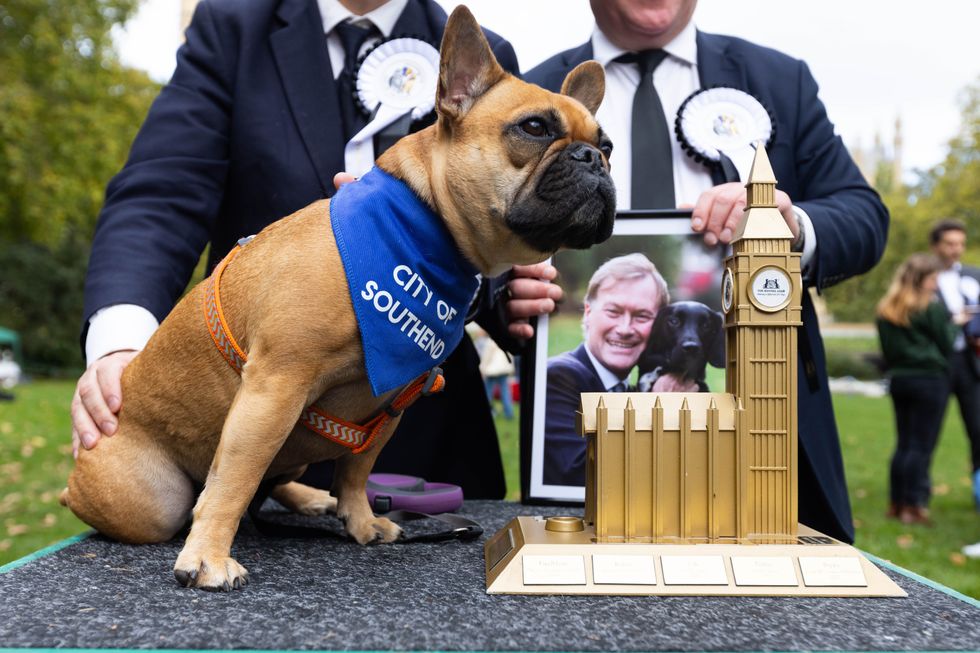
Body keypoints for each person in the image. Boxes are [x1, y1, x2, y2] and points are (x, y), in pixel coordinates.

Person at [70, 0, 564, 500]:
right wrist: (121, 344)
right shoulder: (233, 26)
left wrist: (505, 293)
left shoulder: (484, 52)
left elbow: (502, 210)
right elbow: (163, 192)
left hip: (425, 446)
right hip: (247, 438)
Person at [527, 0, 889, 542]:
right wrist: (504, 282)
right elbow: (473, 230)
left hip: (767, 449)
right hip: (582, 483)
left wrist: (789, 223)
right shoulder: (532, 90)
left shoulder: (776, 78)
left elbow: (864, 215)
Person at [544, 253, 669, 485]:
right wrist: (664, 414)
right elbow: (580, 473)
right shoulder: (559, 377)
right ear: (589, 313)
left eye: (642, 316)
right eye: (613, 312)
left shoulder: (632, 388)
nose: (625, 328)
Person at [876, 254, 960, 525]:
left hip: (900, 380)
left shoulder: (887, 308)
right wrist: (955, 323)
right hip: (930, 380)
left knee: (903, 443)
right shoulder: (930, 307)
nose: (935, 284)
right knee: (921, 445)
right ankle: (913, 506)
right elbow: (946, 342)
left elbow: (888, 350)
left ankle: (896, 501)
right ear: (921, 279)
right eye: (933, 279)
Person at [928, 219, 980, 509]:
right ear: (936, 246)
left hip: (971, 364)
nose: (955, 250)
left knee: (978, 430)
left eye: (960, 244)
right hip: (938, 363)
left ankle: (978, 494)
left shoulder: (975, 275)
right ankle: (916, 499)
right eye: (949, 244)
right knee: (927, 432)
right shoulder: (923, 278)